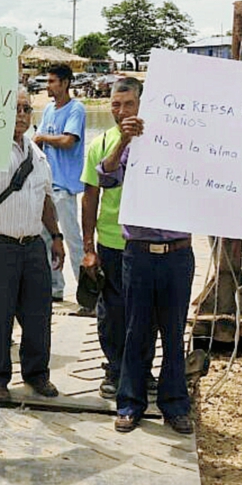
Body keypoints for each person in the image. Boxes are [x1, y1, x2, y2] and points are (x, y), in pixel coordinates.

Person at [97, 111, 195, 435]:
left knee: (173, 332)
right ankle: (129, 404)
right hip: (138, 253)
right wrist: (124, 140)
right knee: (136, 331)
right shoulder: (137, 143)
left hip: (178, 254)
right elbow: (106, 177)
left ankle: (175, 405)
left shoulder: (198, 148)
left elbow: (234, 168)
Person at [0, 87, 64, 402]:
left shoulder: (37, 154)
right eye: (14, 108)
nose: (21, 114)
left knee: (39, 315)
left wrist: (57, 237)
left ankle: (37, 374)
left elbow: (45, 197)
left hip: (32, 245)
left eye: (26, 109)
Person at [80, 78, 154, 398]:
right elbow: (89, 197)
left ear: (141, 104)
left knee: (145, 310)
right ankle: (114, 367)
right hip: (110, 241)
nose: (121, 111)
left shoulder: (157, 141)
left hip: (146, 242)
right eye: (115, 104)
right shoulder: (100, 143)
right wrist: (87, 247)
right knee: (112, 310)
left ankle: (143, 369)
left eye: (128, 104)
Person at [33, 63, 86, 302]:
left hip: (65, 186)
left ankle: (86, 292)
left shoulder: (76, 109)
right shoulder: (48, 111)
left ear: (65, 83)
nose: (48, 86)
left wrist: (43, 137)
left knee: (73, 240)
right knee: (47, 239)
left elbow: (68, 141)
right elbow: (37, 142)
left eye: (53, 81)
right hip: (47, 186)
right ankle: (55, 288)